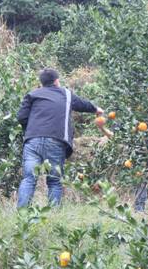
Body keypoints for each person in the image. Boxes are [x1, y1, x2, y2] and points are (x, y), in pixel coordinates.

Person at [17, 68, 103, 207]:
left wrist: (33, 130)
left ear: (42, 82)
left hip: (33, 141)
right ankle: (52, 215)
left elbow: (21, 117)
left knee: (29, 179)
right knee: (54, 181)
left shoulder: (32, 94)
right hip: (56, 141)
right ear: (57, 81)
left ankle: (22, 216)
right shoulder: (66, 94)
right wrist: (96, 109)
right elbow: (82, 104)